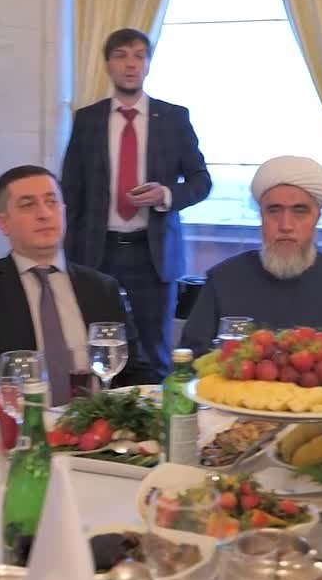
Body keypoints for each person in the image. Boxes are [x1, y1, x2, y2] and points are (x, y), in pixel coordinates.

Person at [61, 28, 212, 379]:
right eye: (121, 56)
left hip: (152, 254)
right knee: (99, 350)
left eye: (139, 56)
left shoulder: (173, 118)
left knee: (155, 351)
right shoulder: (88, 120)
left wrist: (167, 195)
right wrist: (65, 257)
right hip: (97, 252)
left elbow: (201, 181)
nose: (131, 64)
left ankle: (158, 412)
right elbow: (71, 190)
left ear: (147, 65)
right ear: (107, 65)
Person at [0, 165, 155, 404]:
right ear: (3, 223)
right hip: (21, 424)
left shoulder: (102, 288)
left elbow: (136, 376)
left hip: (98, 423)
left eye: (51, 202)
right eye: (28, 205)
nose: (44, 214)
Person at [179, 156, 322, 355]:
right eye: (274, 211)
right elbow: (191, 361)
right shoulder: (223, 281)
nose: (285, 226)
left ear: (317, 217)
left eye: (299, 211)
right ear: (261, 216)